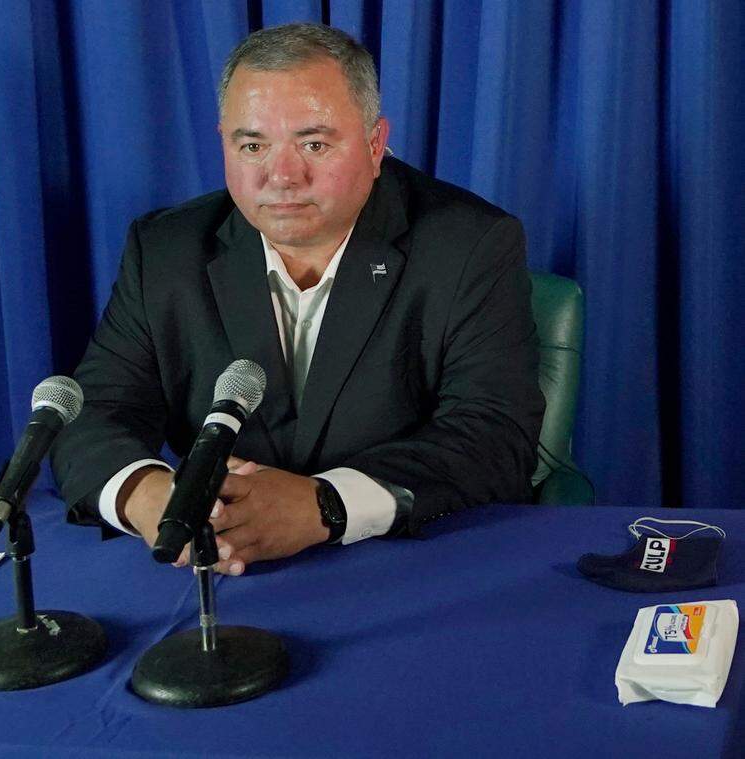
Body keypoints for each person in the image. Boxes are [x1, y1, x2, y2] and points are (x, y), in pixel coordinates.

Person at [50, 23, 544, 575]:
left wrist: (324, 504)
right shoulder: (166, 251)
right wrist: (149, 495)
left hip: (410, 561)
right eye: (253, 145)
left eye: (314, 143)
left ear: (376, 144)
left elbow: (495, 435)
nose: (282, 176)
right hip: (223, 567)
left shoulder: (469, 244)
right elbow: (94, 411)